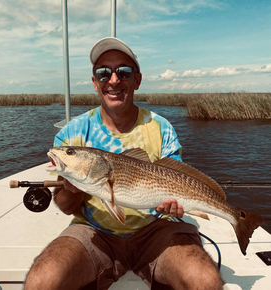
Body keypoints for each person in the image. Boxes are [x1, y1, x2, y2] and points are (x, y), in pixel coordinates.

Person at [25, 37, 223, 290]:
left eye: (124, 72)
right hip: (93, 231)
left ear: (137, 80)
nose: (114, 80)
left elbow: (177, 179)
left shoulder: (161, 127)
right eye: (104, 73)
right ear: (95, 83)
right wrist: (72, 188)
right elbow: (64, 207)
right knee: (41, 281)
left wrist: (174, 206)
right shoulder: (72, 132)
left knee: (205, 281)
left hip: (157, 229)